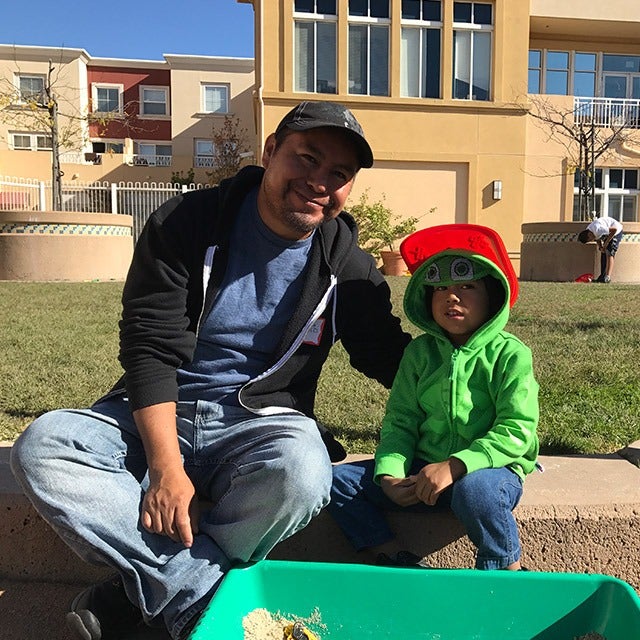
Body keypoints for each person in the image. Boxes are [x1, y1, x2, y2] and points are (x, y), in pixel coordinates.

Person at [10, 100, 412, 640]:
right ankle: (202, 597)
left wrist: (482, 380)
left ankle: (136, 594)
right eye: (307, 158)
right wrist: (166, 469)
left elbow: (386, 354)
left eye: (339, 173)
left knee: (303, 472)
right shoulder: (186, 222)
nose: (320, 182)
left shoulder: (347, 264)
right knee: (46, 446)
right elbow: (150, 348)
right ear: (271, 151)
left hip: (258, 423)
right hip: (156, 413)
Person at [328, 224, 540, 571]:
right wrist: (390, 474)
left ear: (493, 295)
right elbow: (401, 421)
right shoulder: (419, 354)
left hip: (488, 471)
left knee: (476, 491)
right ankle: (395, 557)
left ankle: (505, 569)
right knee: (336, 482)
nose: (451, 297)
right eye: (440, 287)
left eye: (467, 286)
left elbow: (518, 429)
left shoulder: (511, 354)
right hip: (422, 474)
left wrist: (456, 466)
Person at [577, 216, 624, 283]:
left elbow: (614, 230)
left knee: (610, 252)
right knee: (603, 252)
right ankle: (602, 277)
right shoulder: (589, 230)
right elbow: (597, 238)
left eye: (590, 239)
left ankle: (607, 277)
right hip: (608, 233)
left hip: (616, 231)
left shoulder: (598, 229)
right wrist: (601, 247)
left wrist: (606, 243)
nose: (592, 240)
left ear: (589, 234)